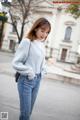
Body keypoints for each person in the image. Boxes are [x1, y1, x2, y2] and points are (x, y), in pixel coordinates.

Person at [12, 17, 51, 120]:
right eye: (42, 31)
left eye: (47, 32)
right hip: (26, 81)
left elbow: (40, 62)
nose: (44, 34)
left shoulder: (42, 44)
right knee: (25, 114)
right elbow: (16, 62)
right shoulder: (27, 42)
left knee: (28, 113)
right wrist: (29, 71)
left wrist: (43, 69)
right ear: (35, 28)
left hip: (37, 80)